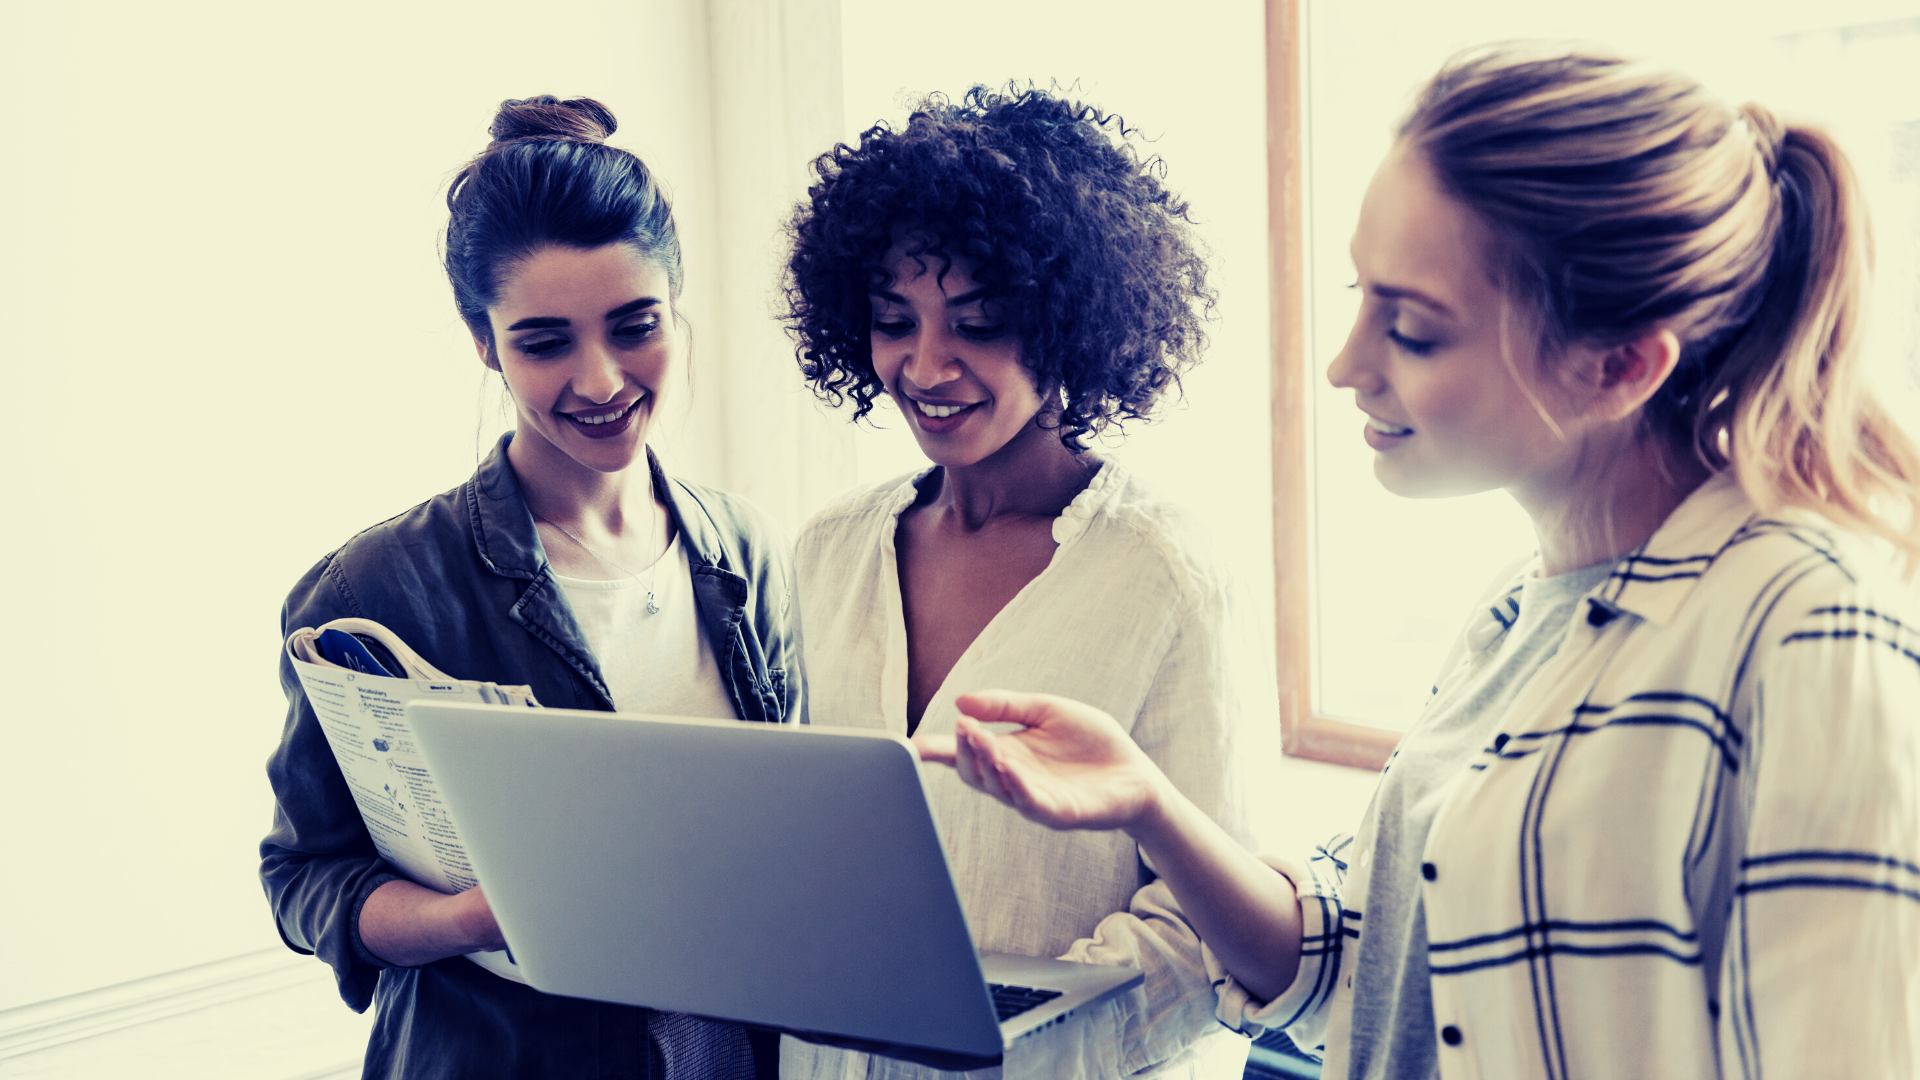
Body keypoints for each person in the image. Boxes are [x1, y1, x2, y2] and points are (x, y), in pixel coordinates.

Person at [917, 46, 1920, 1080]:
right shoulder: (1521, 610)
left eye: (1412, 330)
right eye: (1362, 298)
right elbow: (1368, 972)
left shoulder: (1809, 633)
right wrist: (1150, 806)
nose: (1345, 364)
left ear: (1621, 366)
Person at [260, 96, 799, 1080]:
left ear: (676, 303)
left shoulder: (747, 551)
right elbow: (305, 877)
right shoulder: (371, 589)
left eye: (635, 326)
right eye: (545, 342)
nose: (601, 382)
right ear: (483, 340)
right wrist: (472, 919)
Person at [780, 85, 1276, 1080]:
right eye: (894, 320)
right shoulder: (830, 549)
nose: (927, 366)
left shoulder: (1163, 573)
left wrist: (998, 1034)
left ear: (1065, 326)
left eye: (977, 323)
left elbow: (1206, 927)